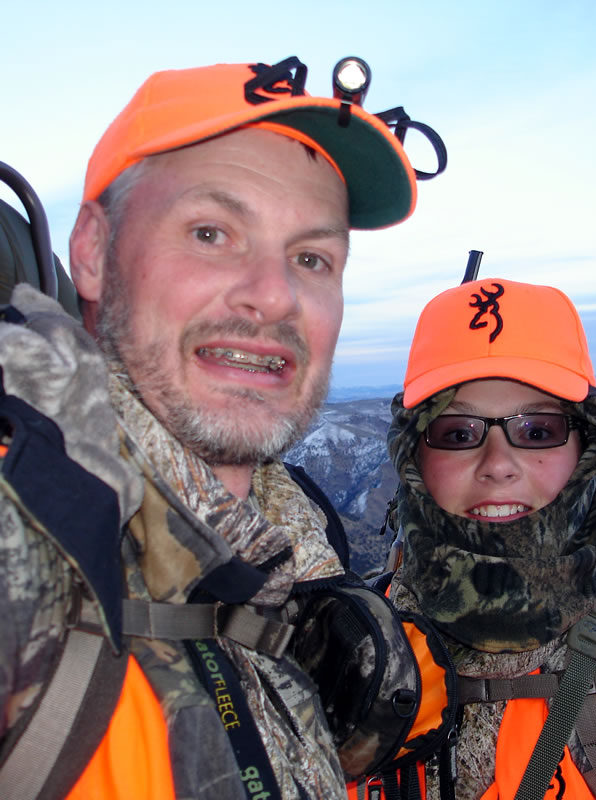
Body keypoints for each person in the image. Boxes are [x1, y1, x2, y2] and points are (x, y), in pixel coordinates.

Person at [0, 57, 444, 800]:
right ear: (92, 251)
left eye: (312, 257)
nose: (274, 295)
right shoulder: (28, 518)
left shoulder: (294, 547)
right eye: (211, 233)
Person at [380, 278, 596, 799]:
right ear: (413, 455)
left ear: (585, 446)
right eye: (458, 433)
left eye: (537, 431)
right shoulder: (333, 649)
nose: (498, 464)